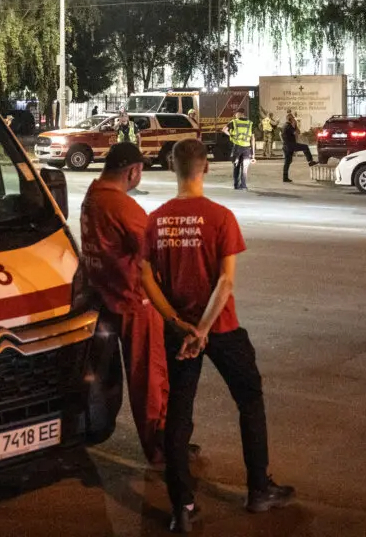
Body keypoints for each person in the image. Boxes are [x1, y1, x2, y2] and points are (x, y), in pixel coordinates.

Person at [141, 139, 294, 532]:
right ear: (205, 168)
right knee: (249, 401)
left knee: (179, 415)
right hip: (220, 328)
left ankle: (182, 507)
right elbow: (225, 283)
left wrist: (178, 323)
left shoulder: (156, 219)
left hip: (180, 333)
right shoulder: (220, 217)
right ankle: (258, 490)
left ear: (173, 167)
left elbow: (144, 275)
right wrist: (204, 331)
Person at [79, 142, 170, 466]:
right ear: (132, 171)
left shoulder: (93, 196)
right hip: (135, 301)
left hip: (106, 298)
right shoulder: (121, 205)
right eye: (140, 170)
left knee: (126, 377)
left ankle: (159, 441)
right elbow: (153, 248)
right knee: (150, 379)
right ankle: (161, 448)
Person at [114, 113, 147, 194]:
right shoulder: (118, 125)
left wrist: (139, 147)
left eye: (125, 116)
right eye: (122, 117)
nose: (124, 118)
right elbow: (114, 128)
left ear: (128, 117)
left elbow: (138, 136)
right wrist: (119, 121)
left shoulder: (133, 125)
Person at [223, 107, 255, 190]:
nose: (235, 115)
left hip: (237, 147)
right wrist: (253, 154)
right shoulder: (250, 123)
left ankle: (236, 185)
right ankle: (243, 185)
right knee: (245, 168)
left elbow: (224, 130)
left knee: (236, 166)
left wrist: (230, 135)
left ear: (240, 114)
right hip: (247, 148)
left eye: (236, 113)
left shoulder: (234, 122)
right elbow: (253, 139)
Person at [281, 111, 315, 182]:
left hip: (286, 146)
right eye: (293, 118)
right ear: (290, 119)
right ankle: (310, 161)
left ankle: (285, 177)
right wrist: (295, 125)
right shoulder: (289, 126)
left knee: (287, 162)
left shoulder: (284, 125)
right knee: (305, 147)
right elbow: (297, 133)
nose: (294, 119)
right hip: (291, 145)